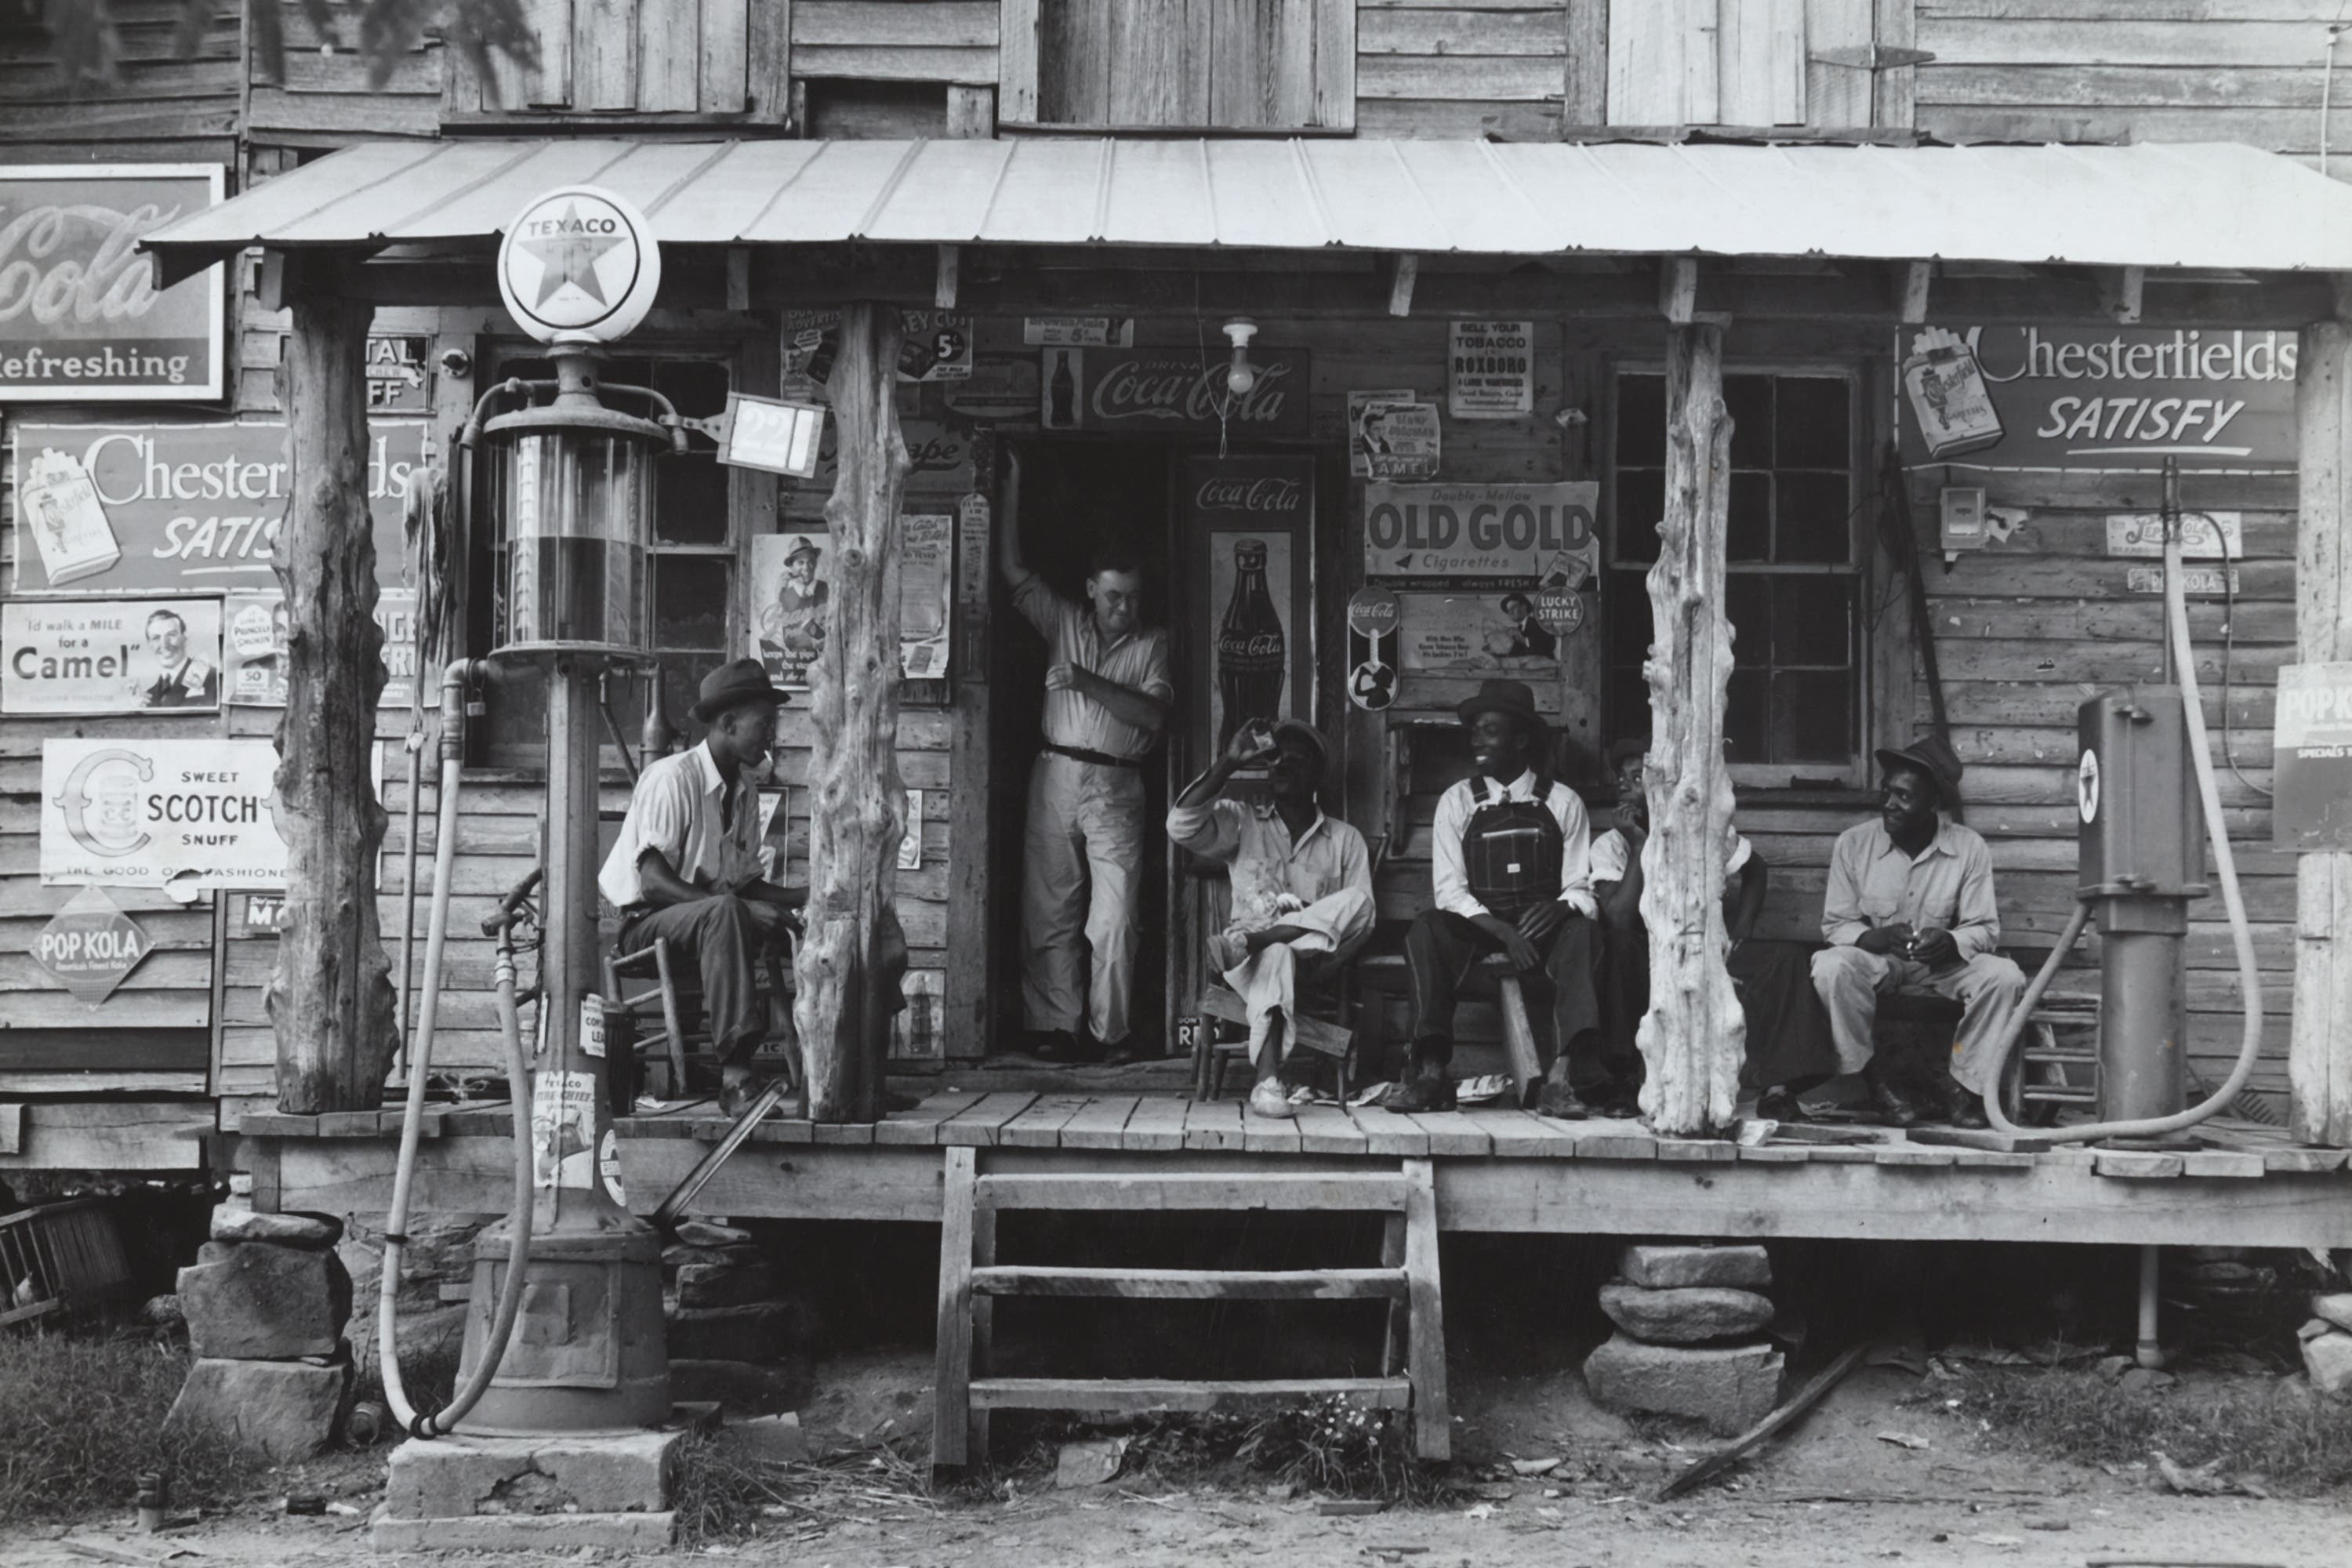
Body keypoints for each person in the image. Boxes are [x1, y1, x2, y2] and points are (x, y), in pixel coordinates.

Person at [999, 449, 1173, 1062]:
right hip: (1054, 773)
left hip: (1117, 782)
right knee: (1049, 908)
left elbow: (1152, 715)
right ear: (1091, 590)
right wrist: (1015, 480)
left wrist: (1083, 681)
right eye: (1113, 597)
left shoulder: (1153, 643)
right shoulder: (1064, 619)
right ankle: (1056, 1027)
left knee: (1116, 917)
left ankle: (1110, 1034)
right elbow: (1012, 568)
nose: (1124, 609)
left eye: (1132, 598)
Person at [599, 658, 808, 1115]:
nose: (771, 734)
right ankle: (736, 1081)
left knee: (789, 914)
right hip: (645, 924)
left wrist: (808, 897)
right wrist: (739, 907)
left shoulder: (746, 791)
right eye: (764, 724)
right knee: (728, 911)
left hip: (706, 921)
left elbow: (747, 885)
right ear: (729, 724)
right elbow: (653, 883)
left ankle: (837, 1073)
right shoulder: (672, 777)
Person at [1392, 678, 1607, 1116]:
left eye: (1489, 730)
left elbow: (1581, 887)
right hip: (1481, 931)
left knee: (1583, 933)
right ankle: (1432, 1074)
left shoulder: (1563, 802)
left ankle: (1560, 1080)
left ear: (1522, 739)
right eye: (1474, 731)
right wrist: (1502, 931)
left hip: (1540, 935)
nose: (1477, 740)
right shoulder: (1457, 801)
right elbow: (1450, 891)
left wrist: (1562, 906)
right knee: (1426, 929)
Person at [1589, 739, 1838, 1116]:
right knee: (1618, 945)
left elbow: (1756, 870)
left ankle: (1778, 1090)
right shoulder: (1610, 846)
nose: (1623, 785)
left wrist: (1741, 931)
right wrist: (1640, 846)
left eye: (1636, 778)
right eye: (1620, 778)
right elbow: (1620, 917)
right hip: (1649, 959)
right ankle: (1625, 1083)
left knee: (1785, 959)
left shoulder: (1700, 830)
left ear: (1662, 785)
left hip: (1706, 953)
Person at [1809, 733, 2023, 1129]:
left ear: (1934, 805)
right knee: (1830, 966)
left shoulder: (1969, 848)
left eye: (1904, 797)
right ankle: (1877, 1082)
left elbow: (1985, 928)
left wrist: (1951, 941)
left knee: (2005, 976)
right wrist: (1876, 938)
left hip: (1943, 970)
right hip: (1880, 965)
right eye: (1887, 792)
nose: (1889, 804)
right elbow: (1836, 925)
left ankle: (1966, 1092)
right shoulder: (1853, 845)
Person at [1169, 718, 1374, 1119]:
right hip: (1250, 962)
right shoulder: (1242, 822)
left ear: (1317, 774)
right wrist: (1228, 762)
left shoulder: (1346, 839)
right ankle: (1267, 1083)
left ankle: (1263, 939)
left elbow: (1362, 919)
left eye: (1296, 760)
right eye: (1276, 758)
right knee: (1277, 952)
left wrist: (1282, 936)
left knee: (1359, 902)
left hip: (1317, 962)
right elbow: (1180, 826)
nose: (1281, 766)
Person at [141, 608, 218, 708]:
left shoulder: (212, 678)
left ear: (184, 637)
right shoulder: (149, 696)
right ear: (149, 644)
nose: (165, 645)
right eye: (156, 638)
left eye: (171, 635)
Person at [1498, 593, 1557, 659]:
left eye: (1513, 608)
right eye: (1508, 611)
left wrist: (1524, 640)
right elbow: (1514, 654)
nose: (1510, 613)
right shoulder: (1517, 630)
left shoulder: (1540, 623)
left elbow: (1550, 644)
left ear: (1524, 607)